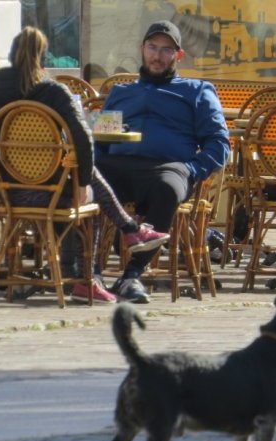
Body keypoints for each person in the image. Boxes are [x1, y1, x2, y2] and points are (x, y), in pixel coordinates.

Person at [0, 27, 170, 304]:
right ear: (43, 56)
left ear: (13, 53)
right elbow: (84, 140)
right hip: (51, 193)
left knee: (79, 180)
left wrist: (3, 175)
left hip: (10, 193)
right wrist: (83, 182)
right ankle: (90, 275)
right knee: (88, 192)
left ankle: (124, 235)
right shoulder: (54, 91)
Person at [95, 20, 230, 304]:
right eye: (152, 48)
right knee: (85, 177)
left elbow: (219, 143)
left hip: (167, 169)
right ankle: (88, 272)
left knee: (167, 187)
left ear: (178, 56)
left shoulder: (197, 91)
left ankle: (132, 274)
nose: (157, 56)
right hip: (119, 167)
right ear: (142, 49)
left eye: (166, 50)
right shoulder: (121, 93)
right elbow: (100, 141)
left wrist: (191, 170)